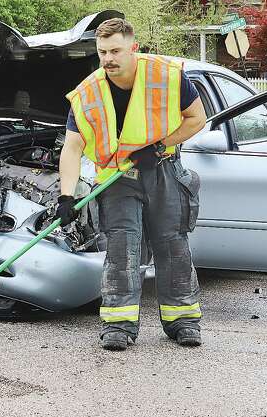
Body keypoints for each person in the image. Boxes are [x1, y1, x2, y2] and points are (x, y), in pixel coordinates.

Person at [57, 17, 207, 351]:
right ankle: (118, 325)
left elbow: (197, 118)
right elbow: (72, 146)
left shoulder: (167, 76)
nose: (108, 59)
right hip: (117, 178)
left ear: (133, 48)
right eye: (102, 52)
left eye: (115, 50)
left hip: (164, 170)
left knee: (172, 245)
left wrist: (159, 145)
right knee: (122, 247)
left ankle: (182, 320)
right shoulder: (88, 93)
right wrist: (66, 195)